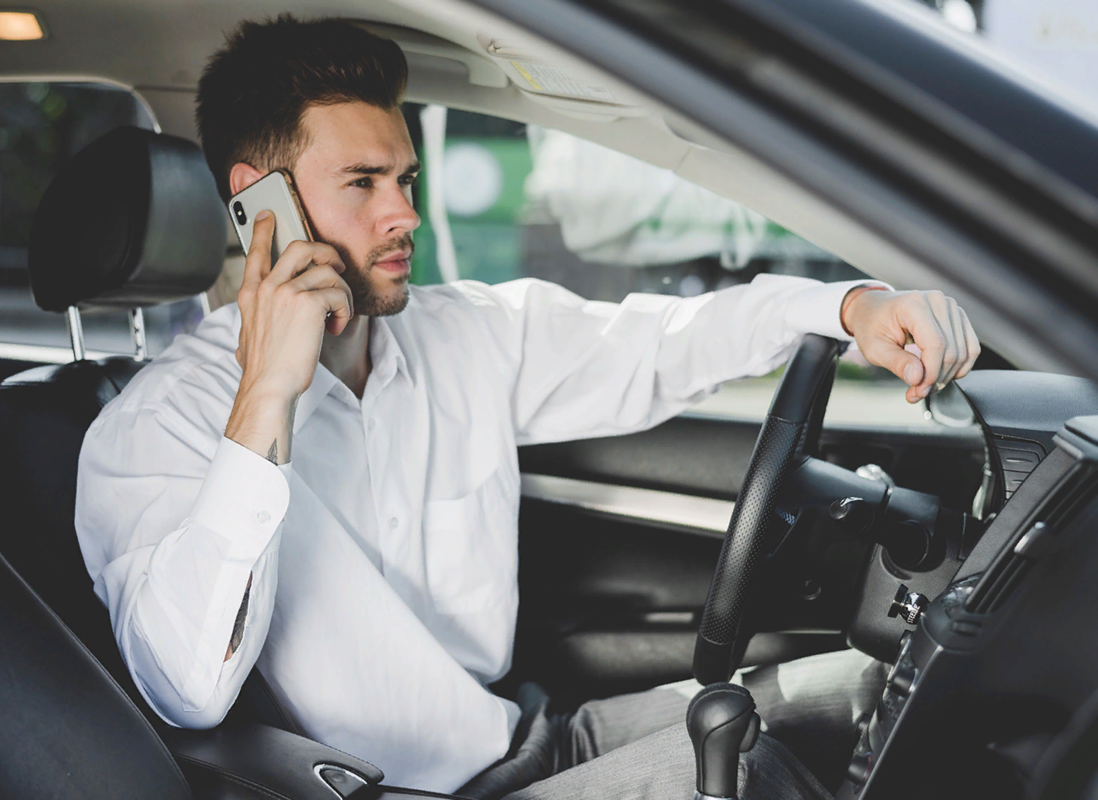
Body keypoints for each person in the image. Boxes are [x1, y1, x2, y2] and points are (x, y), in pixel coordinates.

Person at [74, 17, 980, 800]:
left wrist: (851, 308)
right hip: (401, 792)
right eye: (363, 184)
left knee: (882, 687)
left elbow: (659, 343)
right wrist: (266, 395)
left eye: (406, 180)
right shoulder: (154, 429)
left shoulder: (459, 332)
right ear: (256, 206)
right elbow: (186, 691)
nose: (405, 215)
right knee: (751, 777)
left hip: (531, 743)